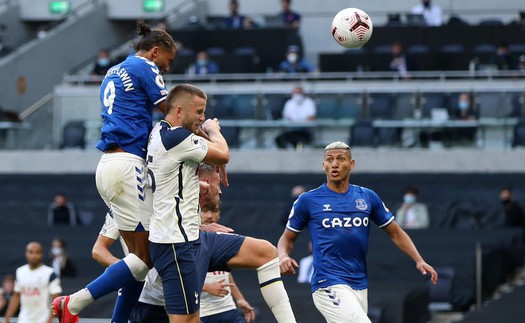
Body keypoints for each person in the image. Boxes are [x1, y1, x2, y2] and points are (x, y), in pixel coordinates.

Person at [52, 19, 177, 323]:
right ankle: (73, 304)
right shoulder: (145, 67)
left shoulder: (113, 70)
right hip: (127, 165)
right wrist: (202, 133)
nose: (167, 69)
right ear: (156, 52)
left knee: (137, 262)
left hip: (109, 164)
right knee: (146, 258)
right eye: (168, 62)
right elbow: (173, 110)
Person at [147, 84, 296, 322]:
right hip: (175, 244)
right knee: (187, 320)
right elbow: (223, 153)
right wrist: (212, 129)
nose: (203, 117)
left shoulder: (161, 130)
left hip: (192, 236)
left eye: (204, 113)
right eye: (199, 112)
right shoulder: (176, 137)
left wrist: (197, 184)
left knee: (266, 252)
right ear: (178, 111)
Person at [278, 141, 438, 323]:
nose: (335, 164)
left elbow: (396, 233)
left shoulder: (367, 197)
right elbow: (287, 238)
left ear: (351, 164)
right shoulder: (308, 200)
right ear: (324, 166)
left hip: (359, 283)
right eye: (329, 160)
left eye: (340, 159)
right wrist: (283, 256)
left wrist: (419, 260)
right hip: (328, 282)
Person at [3, 242, 62, 323]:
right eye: (31, 252)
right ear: (26, 253)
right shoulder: (20, 272)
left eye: (37, 252)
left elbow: (56, 300)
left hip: (42, 319)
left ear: (41, 254)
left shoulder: (50, 273)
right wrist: (6, 318)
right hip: (23, 319)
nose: (34, 256)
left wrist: (49, 320)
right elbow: (16, 297)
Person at [275, 85, 316, 149]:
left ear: (303, 93)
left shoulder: (309, 102)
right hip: (292, 130)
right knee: (279, 139)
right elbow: (287, 118)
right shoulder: (289, 103)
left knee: (298, 139)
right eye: (296, 93)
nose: (298, 95)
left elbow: (311, 117)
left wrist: (298, 121)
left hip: (304, 130)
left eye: (299, 93)